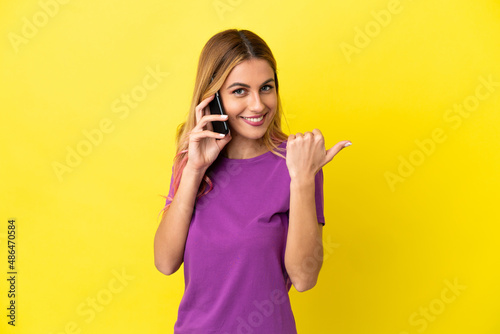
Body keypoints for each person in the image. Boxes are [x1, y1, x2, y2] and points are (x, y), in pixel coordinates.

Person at [154, 28, 352, 333]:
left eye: (266, 87)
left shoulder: (296, 162)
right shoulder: (192, 160)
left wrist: (301, 180)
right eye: (239, 91)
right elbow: (165, 262)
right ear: (213, 97)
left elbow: (304, 278)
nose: (258, 105)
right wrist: (193, 170)